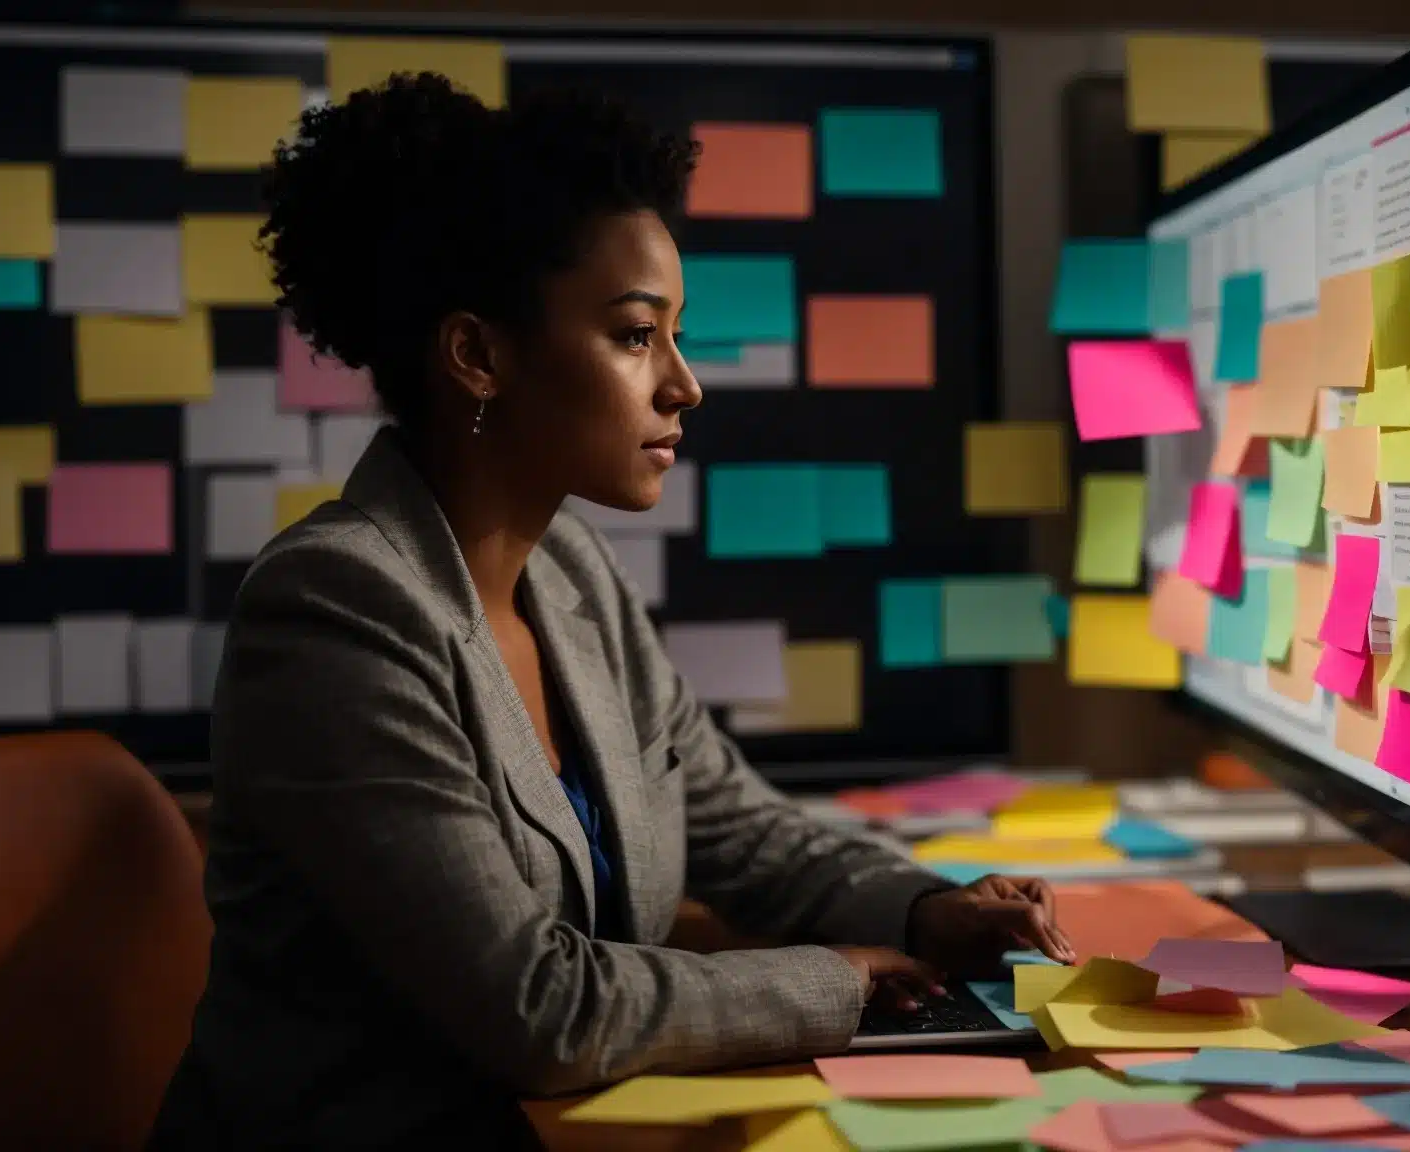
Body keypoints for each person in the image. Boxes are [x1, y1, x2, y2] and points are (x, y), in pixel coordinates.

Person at [148, 72, 1076, 1150]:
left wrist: (925, 911)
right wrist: (835, 983)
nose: (683, 384)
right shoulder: (334, 612)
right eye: (637, 336)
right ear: (477, 356)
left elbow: (734, 827)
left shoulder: (569, 572)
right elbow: (536, 1008)